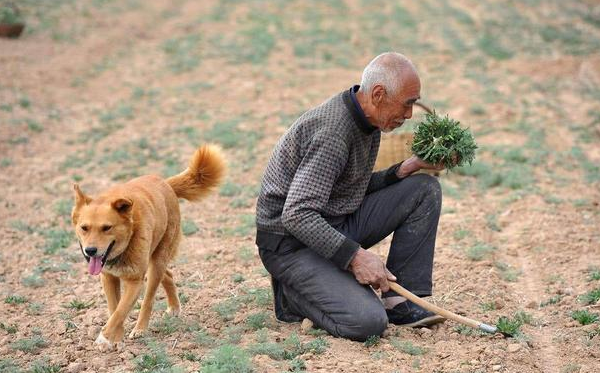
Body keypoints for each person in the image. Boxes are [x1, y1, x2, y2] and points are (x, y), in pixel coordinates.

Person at [255, 52, 446, 341]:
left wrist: (402, 170)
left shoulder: (370, 121)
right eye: (407, 104)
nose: (409, 115)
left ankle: (401, 305)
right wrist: (355, 257)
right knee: (367, 322)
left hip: (332, 224)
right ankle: (291, 297)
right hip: (291, 245)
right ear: (379, 94)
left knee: (423, 189)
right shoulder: (333, 132)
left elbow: (347, 187)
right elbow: (297, 214)